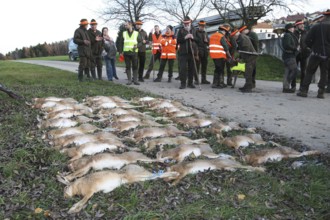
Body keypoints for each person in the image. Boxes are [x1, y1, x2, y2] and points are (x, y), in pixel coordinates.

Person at [297, 9, 330, 99]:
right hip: (327, 55)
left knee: (309, 72)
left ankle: (304, 91)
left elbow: (307, 40)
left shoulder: (316, 27)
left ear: (324, 17)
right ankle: (321, 92)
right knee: (324, 73)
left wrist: (313, 47)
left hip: (315, 53)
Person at [232, 26, 258, 93]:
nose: (234, 38)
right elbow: (242, 50)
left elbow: (245, 49)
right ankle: (248, 85)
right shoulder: (241, 38)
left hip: (250, 56)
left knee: (248, 72)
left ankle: (248, 87)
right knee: (249, 72)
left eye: (234, 37)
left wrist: (240, 57)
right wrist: (239, 57)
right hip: (250, 56)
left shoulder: (242, 39)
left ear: (236, 35)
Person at [177, 16, 200, 89]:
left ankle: (190, 83)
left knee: (192, 68)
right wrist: (185, 37)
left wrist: (193, 37)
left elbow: (198, 40)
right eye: (185, 23)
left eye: (187, 23)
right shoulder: (180, 30)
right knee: (182, 68)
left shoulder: (194, 30)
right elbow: (178, 41)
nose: (186, 24)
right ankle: (183, 83)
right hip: (183, 52)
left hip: (192, 52)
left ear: (190, 23)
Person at [117, 21, 141, 85]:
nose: (125, 26)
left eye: (126, 25)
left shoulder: (136, 33)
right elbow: (121, 43)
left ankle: (135, 80)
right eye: (125, 25)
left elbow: (141, 42)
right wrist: (120, 51)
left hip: (134, 52)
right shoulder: (124, 33)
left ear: (130, 25)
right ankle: (129, 80)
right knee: (128, 67)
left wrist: (137, 46)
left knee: (135, 66)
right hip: (126, 53)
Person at [209, 24, 230, 89]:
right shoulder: (221, 36)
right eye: (225, 32)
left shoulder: (212, 35)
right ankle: (218, 83)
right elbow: (225, 46)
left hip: (213, 55)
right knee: (220, 69)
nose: (225, 33)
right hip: (220, 55)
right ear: (223, 31)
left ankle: (217, 83)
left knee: (217, 69)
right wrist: (229, 55)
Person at [294, 19, 311, 90]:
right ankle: (293, 85)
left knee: (303, 71)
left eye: (303, 24)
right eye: (300, 24)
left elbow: (310, 42)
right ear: (297, 25)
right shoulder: (294, 33)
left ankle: (302, 86)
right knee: (294, 70)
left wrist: (308, 49)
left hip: (304, 54)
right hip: (295, 54)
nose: (302, 25)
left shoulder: (306, 33)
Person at [281, 23, 299, 93]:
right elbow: (287, 45)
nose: (294, 29)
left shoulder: (288, 35)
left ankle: (286, 87)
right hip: (289, 55)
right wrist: (295, 49)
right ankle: (286, 86)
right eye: (292, 27)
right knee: (294, 70)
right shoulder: (288, 35)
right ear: (289, 29)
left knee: (287, 71)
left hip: (288, 55)